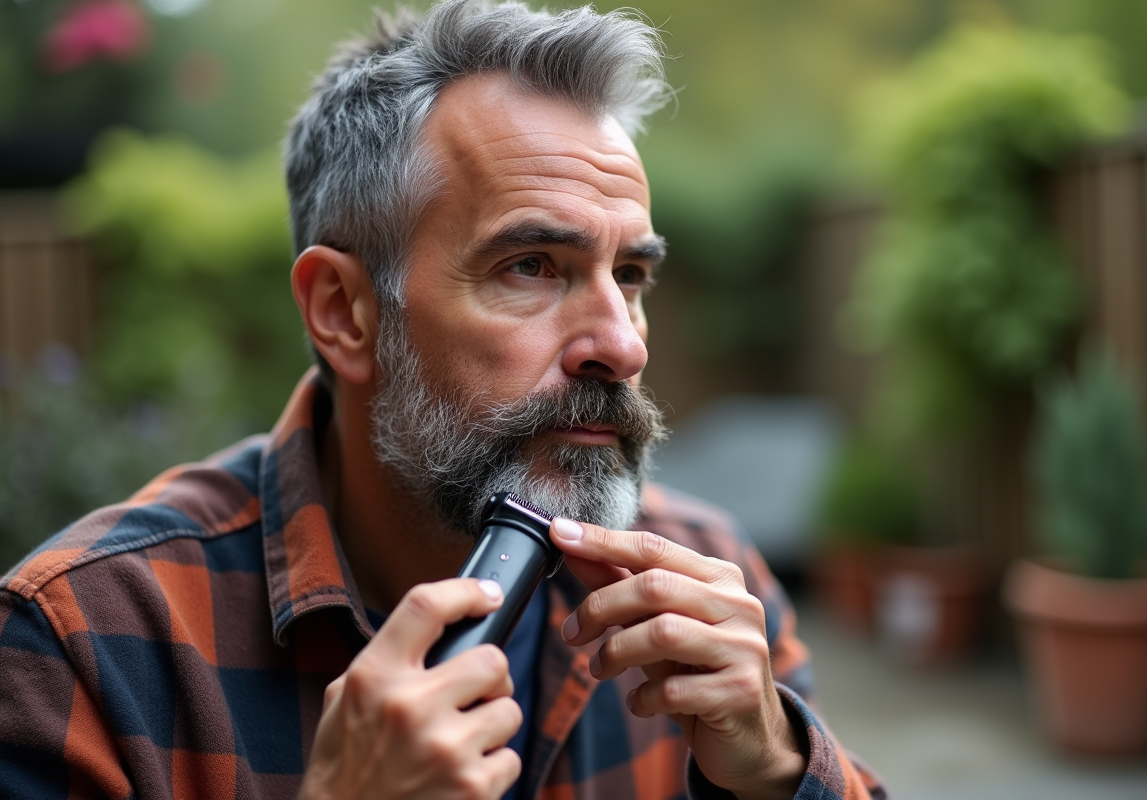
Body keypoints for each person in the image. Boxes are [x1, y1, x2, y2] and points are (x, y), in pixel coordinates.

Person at [0, 1, 885, 798]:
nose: (623, 344)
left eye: (632, 274)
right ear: (345, 312)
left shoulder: (708, 583)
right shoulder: (87, 650)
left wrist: (776, 763)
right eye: (531, 266)